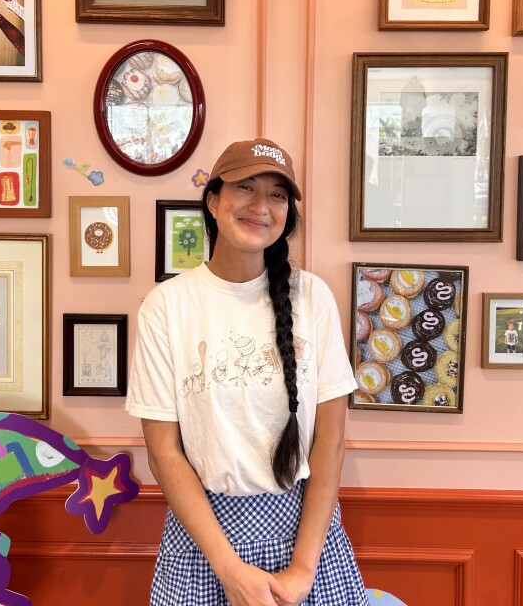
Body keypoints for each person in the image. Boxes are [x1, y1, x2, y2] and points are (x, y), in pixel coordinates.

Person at [126, 138, 367, 606]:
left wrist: (302, 571)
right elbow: (163, 453)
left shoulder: (311, 298)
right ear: (214, 200)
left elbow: (330, 439)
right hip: (204, 545)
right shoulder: (166, 307)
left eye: (277, 194)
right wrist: (230, 570)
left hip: (307, 541)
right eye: (246, 187)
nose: (261, 206)